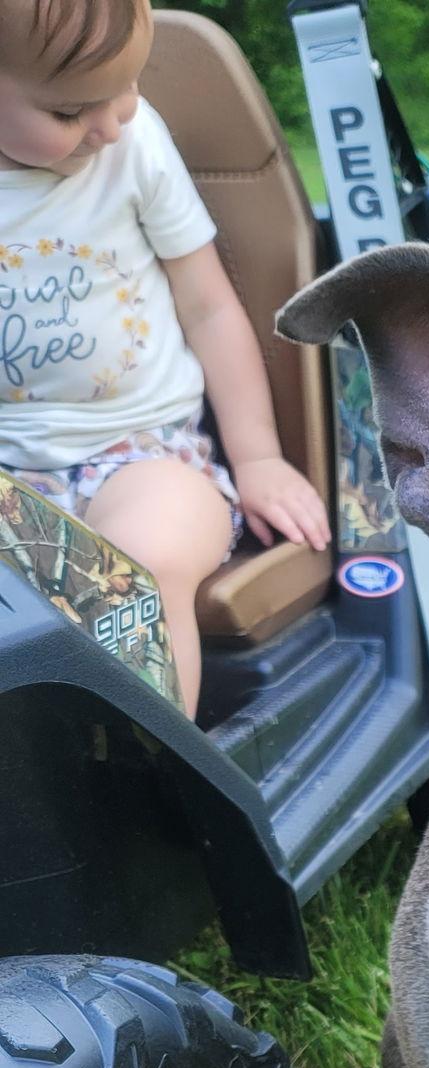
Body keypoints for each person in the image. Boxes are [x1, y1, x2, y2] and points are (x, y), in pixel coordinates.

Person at [0, 0, 329, 715]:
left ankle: (149, 781)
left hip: (145, 455)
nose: (114, 119)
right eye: (71, 111)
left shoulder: (133, 148)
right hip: (9, 481)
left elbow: (210, 309)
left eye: (131, 86)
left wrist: (259, 458)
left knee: (137, 563)